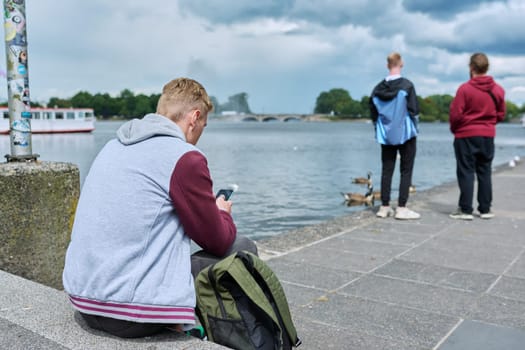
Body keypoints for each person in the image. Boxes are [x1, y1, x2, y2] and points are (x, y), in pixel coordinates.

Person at [62, 77, 257, 338]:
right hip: (129, 314)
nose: (200, 134)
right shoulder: (184, 157)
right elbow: (217, 241)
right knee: (241, 248)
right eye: (203, 126)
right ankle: (226, 335)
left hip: (84, 301)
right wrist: (221, 213)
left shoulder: (113, 146)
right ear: (194, 118)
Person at [449, 53, 506, 220]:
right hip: (487, 135)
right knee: (485, 171)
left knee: (466, 171)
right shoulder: (498, 90)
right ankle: (485, 209)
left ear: (471, 67)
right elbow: (501, 114)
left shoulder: (465, 89)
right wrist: (489, 124)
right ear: (487, 67)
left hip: (466, 134)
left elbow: (456, 115)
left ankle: (466, 209)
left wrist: (455, 129)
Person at [369, 52, 420, 220]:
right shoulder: (407, 86)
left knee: (387, 169)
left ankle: (384, 207)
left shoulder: (377, 89)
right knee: (406, 170)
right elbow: (414, 110)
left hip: (386, 134)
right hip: (405, 132)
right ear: (401, 63)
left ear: (387, 65)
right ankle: (401, 207)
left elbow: (374, 114)